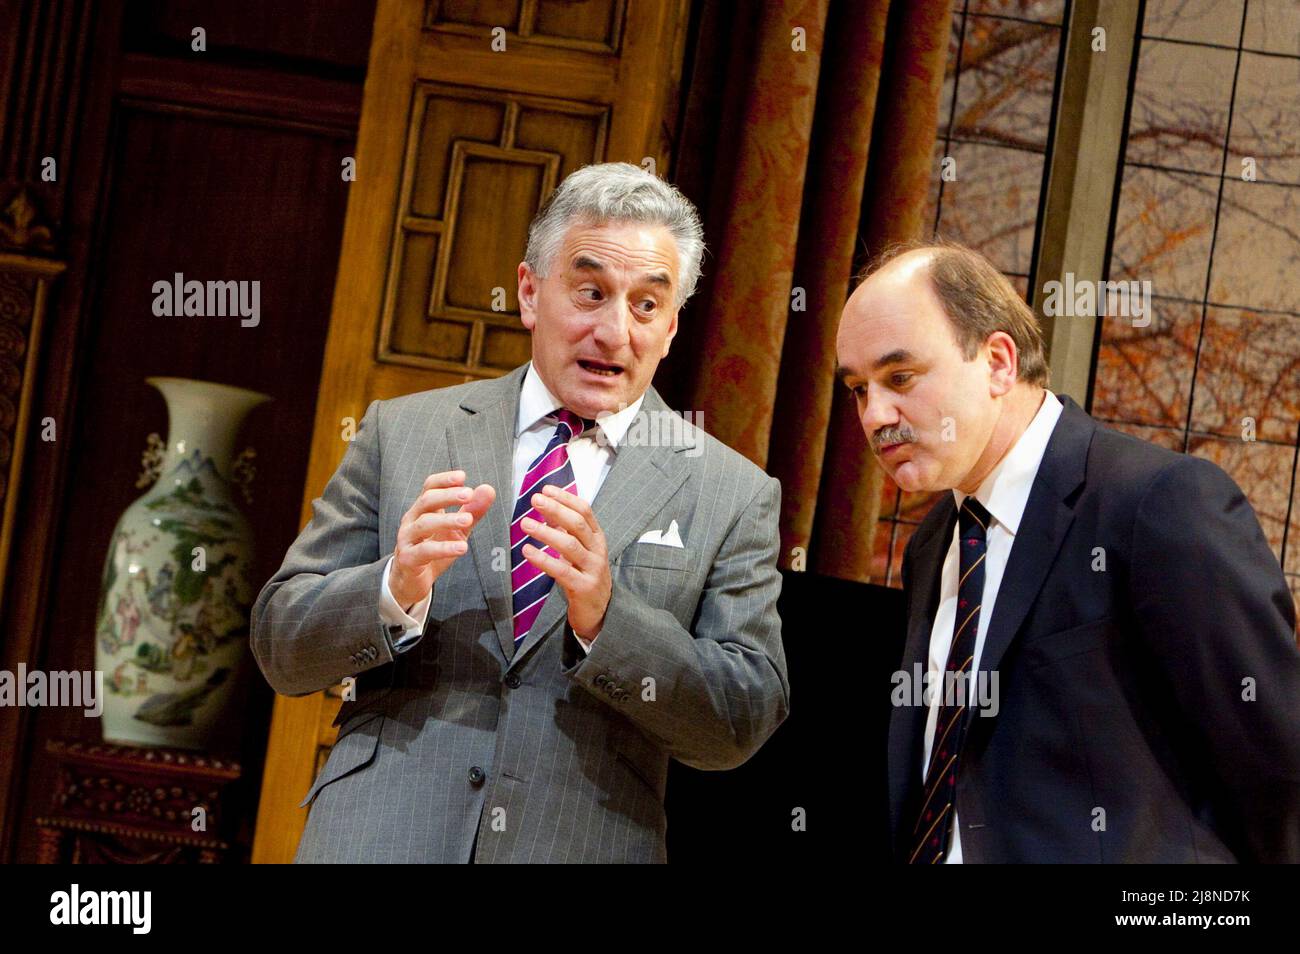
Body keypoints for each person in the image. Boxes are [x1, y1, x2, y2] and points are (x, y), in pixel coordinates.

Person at [251, 162, 789, 863]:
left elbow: (741, 719)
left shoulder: (732, 492)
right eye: (590, 292)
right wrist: (394, 586)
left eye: (646, 305)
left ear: (672, 327)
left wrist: (607, 619)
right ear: (531, 293)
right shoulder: (403, 430)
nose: (614, 331)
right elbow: (281, 647)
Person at [835, 240, 1300, 863]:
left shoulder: (1158, 503)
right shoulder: (934, 543)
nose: (875, 415)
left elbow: (1278, 770)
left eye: (899, 378)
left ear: (998, 362)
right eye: (858, 389)